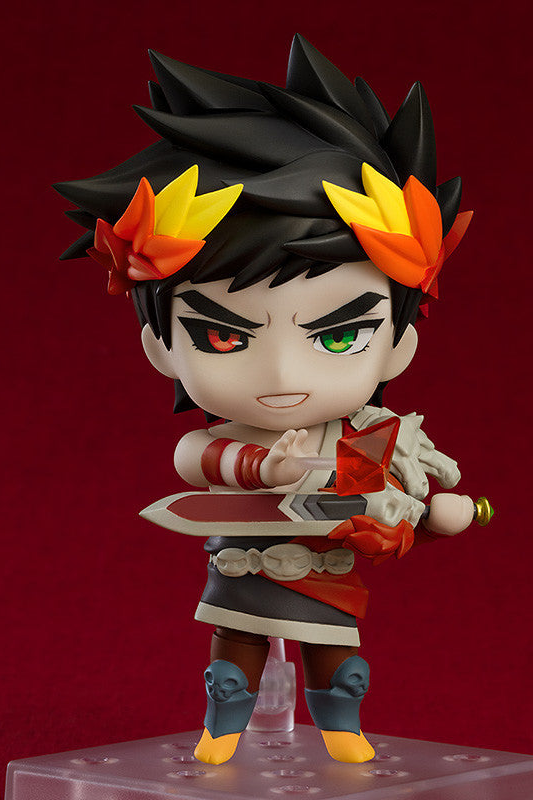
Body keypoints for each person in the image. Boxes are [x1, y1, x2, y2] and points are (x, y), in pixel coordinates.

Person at [55, 34, 477, 765]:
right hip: (242, 571)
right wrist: (264, 469)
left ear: (398, 346)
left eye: (337, 336)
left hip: (328, 573)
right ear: (161, 348)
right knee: (233, 664)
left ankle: (341, 730)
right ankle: (221, 732)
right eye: (224, 336)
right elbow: (197, 457)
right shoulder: (231, 438)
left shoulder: (373, 438)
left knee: (338, 665)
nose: (282, 373)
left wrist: (439, 517)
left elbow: (397, 511)